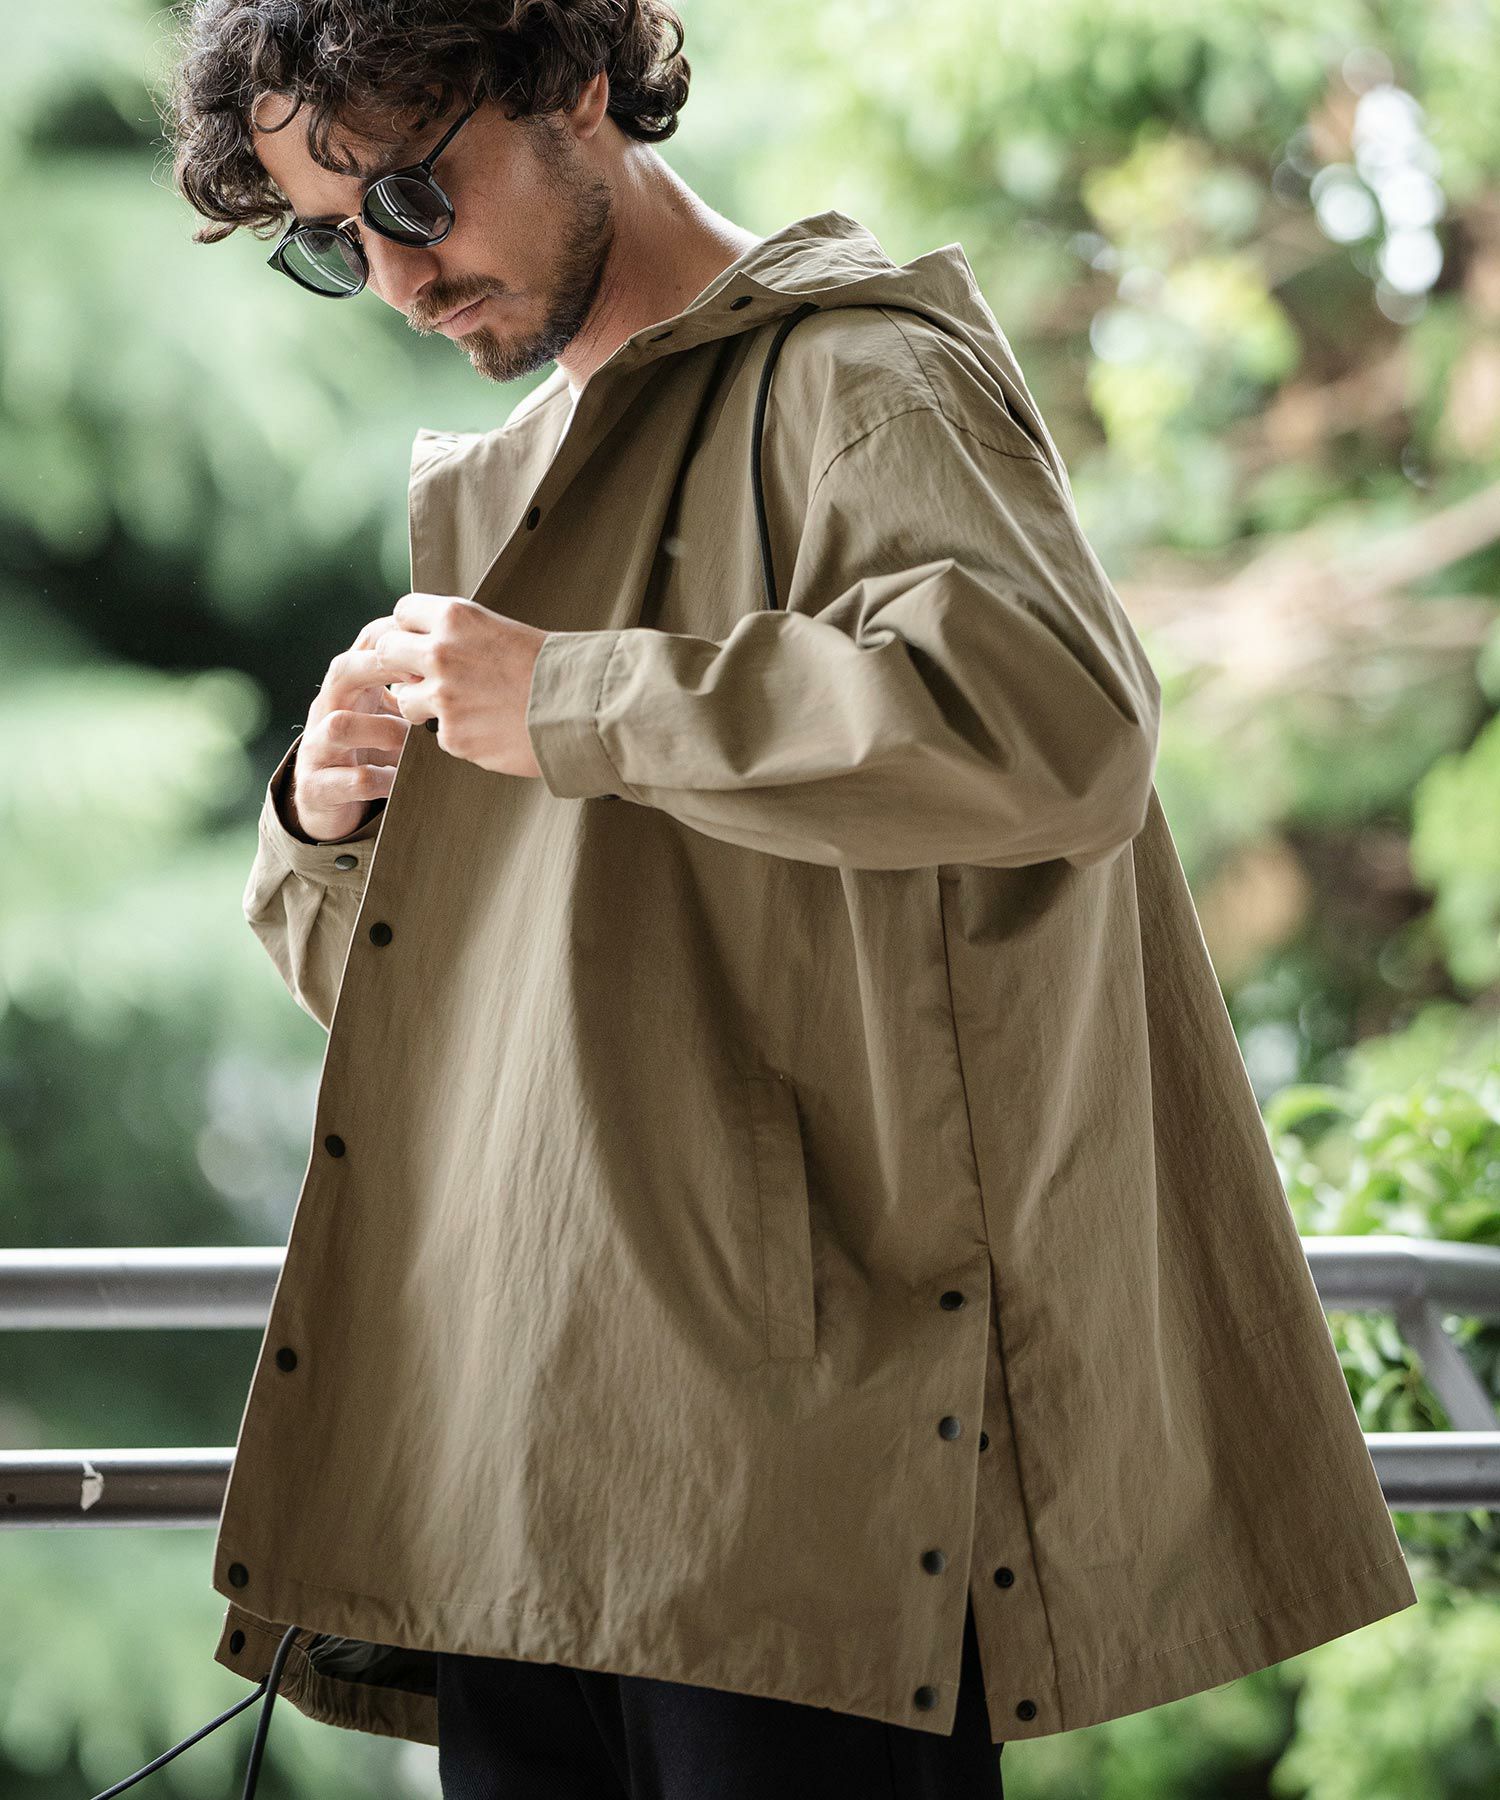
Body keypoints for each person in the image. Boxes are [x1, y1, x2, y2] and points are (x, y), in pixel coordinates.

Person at [156, 4, 1417, 1798]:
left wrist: (570, 693)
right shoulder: (511, 486)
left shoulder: (856, 377)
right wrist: (329, 815)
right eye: (330, 239)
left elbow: (1061, 728)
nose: (394, 278)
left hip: (796, 1497)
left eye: (414, 197)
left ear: (576, 83)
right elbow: (460, 1007)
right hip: (515, 1482)